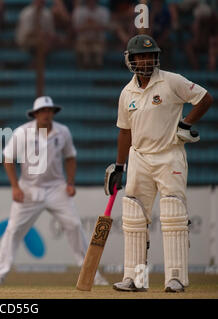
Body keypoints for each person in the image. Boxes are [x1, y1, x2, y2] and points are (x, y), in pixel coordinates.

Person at [106, 34, 213, 293]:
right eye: (141, 56)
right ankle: (136, 278)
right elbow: (124, 132)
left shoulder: (171, 81)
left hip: (169, 155)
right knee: (133, 219)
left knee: (173, 215)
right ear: (131, 59)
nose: (147, 59)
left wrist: (185, 123)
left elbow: (205, 98)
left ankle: (175, 278)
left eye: (151, 55)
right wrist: (119, 166)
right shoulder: (126, 93)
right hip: (139, 158)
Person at [0, 96, 109, 286]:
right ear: (35, 114)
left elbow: (70, 157)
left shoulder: (63, 132)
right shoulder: (22, 132)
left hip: (56, 188)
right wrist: (15, 186)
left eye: (49, 110)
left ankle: (92, 274)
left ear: (53, 112)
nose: (46, 114)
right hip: (28, 189)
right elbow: (8, 158)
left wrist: (70, 183)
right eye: (42, 111)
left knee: (75, 225)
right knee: (13, 230)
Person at [15, 0, 57, 65]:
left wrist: (46, 36)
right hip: (26, 40)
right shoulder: (26, 13)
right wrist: (41, 35)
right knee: (40, 43)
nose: (40, 3)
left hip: (44, 40)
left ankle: (35, 63)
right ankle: (36, 65)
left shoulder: (47, 13)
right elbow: (26, 34)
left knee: (51, 42)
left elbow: (51, 32)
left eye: (42, 1)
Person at [72, 0, 110, 69]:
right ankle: (84, 65)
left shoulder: (104, 11)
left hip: (98, 39)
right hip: (83, 39)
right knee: (83, 50)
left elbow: (105, 27)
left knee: (97, 50)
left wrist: (87, 25)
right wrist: (94, 25)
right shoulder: (79, 11)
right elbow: (76, 29)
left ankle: (97, 64)